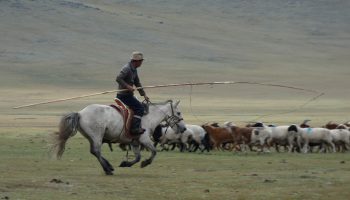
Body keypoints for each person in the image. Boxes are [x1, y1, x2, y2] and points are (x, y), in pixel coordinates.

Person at [116, 51, 150, 136]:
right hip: (123, 96)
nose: (142, 62)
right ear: (136, 61)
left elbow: (137, 83)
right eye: (141, 61)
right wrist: (128, 86)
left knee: (142, 106)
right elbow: (118, 78)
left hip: (129, 95)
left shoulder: (134, 70)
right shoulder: (127, 68)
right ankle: (134, 128)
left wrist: (144, 95)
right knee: (140, 108)